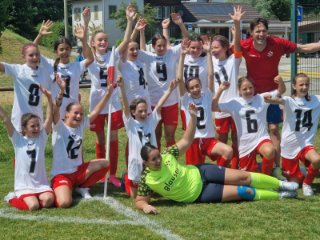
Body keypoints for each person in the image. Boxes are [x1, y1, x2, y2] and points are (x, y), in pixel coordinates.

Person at [135, 103, 298, 215]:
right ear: (146, 163)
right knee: (244, 192)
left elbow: (186, 140)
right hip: (198, 194)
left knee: (244, 177)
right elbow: (140, 200)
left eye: (158, 156)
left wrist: (192, 117)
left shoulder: (167, 154)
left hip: (201, 172)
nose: (159, 160)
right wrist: (145, 206)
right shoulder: (146, 179)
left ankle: (281, 184)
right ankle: (280, 195)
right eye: (154, 159)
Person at [240, 17, 320, 177]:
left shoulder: (277, 43)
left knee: (274, 129)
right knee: (250, 131)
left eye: (264, 31)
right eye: (258, 31)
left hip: (272, 95)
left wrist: (318, 45)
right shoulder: (245, 45)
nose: (261, 34)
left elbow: (303, 48)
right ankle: (244, 163)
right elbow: (222, 50)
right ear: (251, 32)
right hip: (252, 97)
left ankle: (276, 167)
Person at [87, 5, 136, 187]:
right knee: (100, 138)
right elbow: (85, 45)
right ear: (93, 43)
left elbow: (126, 40)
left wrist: (130, 21)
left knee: (113, 137)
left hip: (113, 101)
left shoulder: (113, 55)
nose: (103, 42)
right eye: (99, 40)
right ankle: (101, 173)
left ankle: (113, 173)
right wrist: (85, 26)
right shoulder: (90, 57)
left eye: (105, 40)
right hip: (97, 101)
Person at [50, 76, 113, 208]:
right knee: (64, 203)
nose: (79, 116)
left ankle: (81, 187)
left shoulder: (80, 125)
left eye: (81, 113)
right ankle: (60, 187)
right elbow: (55, 111)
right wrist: (61, 92)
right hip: (62, 174)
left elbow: (96, 110)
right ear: (66, 114)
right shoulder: (59, 126)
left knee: (105, 163)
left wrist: (108, 94)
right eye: (75, 113)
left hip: (78, 172)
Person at [212, 76, 286, 175]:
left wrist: (280, 82)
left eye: (250, 88)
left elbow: (281, 91)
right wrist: (220, 89)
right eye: (245, 89)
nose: (248, 91)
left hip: (261, 138)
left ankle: (267, 179)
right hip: (245, 144)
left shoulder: (261, 98)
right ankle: (258, 169)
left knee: (270, 151)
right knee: (249, 176)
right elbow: (214, 107)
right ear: (239, 91)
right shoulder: (235, 103)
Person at [118, 77, 177, 198]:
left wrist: (170, 90)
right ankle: (126, 178)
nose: (144, 113)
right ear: (133, 112)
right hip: (136, 163)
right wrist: (122, 87)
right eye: (140, 111)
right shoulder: (131, 124)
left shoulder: (151, 121)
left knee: (154, 193)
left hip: (151, 162)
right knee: (134, 197)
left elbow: (159, 105)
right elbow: (125, 106)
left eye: (145, 111)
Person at [137, 13, 189, 149]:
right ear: (153, 46)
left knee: (170, 137)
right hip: (154, 102)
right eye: (158, 46)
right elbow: (138, 50)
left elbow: (187, 40)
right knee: (155, 135)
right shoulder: (149, 57)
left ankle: (170, 165)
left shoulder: (171, 53)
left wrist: (180, 24)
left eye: (163, 45)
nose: (161, 48)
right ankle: (156, 163)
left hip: (171, 101)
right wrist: (140, 32)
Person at [178, 38, 232, 166]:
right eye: (191, 88)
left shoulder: (206, 95)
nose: (195, 89)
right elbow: (180, 79)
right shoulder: (186, 99)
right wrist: (182, 56)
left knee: (228, 151)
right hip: (193, 139)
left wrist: (208, 53)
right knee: (195, 169)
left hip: (208, 138)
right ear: (187, 90)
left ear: (201, 86)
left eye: (197, 86)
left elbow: (210, 75)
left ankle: (219, 174)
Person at [265, 73, 320, 196]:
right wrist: (268, 97)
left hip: (306, 144)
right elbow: (276, 100)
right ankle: (300, 174)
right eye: (301, 84)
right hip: (289, 145)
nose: (304, 87)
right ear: (294, 86)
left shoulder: (316, 100)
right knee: (294, 183)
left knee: (317, 160)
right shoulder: (289, 100)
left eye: (307, 84)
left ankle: (307, 184)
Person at [1, 86, 54, 211]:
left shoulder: (41, 138)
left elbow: (49, 118)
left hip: (41, 184)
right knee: (34, 206)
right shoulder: (17, 140)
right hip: (24, 185)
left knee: (49, 200)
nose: (36, 128)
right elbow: (5, 119)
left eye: (37, 125)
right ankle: (11, 198)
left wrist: (49, 98)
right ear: (24, 128)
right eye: (32, 126)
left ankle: (35, 197)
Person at [33, 8, 93, 119]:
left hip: (73, 111)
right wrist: (40, 35)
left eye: (67, 49)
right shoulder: (50, 64)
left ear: (71, 50)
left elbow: (90, 58)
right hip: (57, 111)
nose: (64, 52)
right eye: (61, 49)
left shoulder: (76, 66)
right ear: (56, 51)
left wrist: (83, 39)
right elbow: (33, 50)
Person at [212, 6, 244, 169]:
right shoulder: (210, 61)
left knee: (237, 137)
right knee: (221, 139)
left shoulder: (233, 61)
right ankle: (221, 167)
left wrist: (237, 25)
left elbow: (237, 45)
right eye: (212, 47)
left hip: (235, 106)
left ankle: (235, 166)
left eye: (216, 47)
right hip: (219, 108)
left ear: (225, 48)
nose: (213, 50)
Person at [0, 43, 51, 131]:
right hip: (20, 118)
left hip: (37, 119)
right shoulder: (18, 70)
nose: (35, 57)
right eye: (31, 55)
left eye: (37, 54)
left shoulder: (44, 72)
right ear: (23, 57)